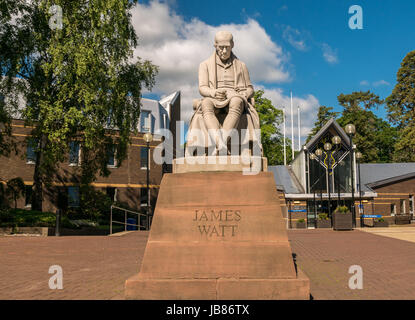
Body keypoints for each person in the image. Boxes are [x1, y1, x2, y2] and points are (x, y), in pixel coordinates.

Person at [186, 30, 260, 156]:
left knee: (237, 101)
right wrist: (213, 92)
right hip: (215, 97)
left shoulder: (242, 66)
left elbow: (250, 89)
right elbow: (202, 88)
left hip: (235, 96)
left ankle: (221, 144)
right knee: (205, 104)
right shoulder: (205, 65)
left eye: (227, 47)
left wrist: (244, 95)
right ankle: (220, 144)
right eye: (221, 47)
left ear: (233, 45)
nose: (224, 51)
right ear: (215, 45)